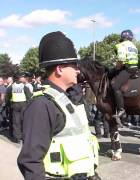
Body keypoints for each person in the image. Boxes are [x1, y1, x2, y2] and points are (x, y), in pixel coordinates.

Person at [17, 31, 100, 179]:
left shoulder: (69, 98)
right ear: (59, 69)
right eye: (73, 65)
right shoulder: (41, 105)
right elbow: (30, 161)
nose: (78, 70)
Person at [112, 29, 139, 118]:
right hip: (135, 69)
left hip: (127, 69)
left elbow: (121, 59)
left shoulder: (121, 45)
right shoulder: (134, 46)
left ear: (123, 37)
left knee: (115, 86)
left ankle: (121, 109)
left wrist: (116, 68)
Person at [5, 72, 32, 143]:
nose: (24, 78)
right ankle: (24, 136)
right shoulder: (24, 87)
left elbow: (7, 97)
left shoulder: (11, 87)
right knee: (24, 121)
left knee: (16, 122)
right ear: (18, 78)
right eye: (22, 77)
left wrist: (8, 104)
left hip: (15, 106)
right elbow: (29, 97)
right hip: (24, 105)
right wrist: (28, 105)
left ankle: (17, 138)